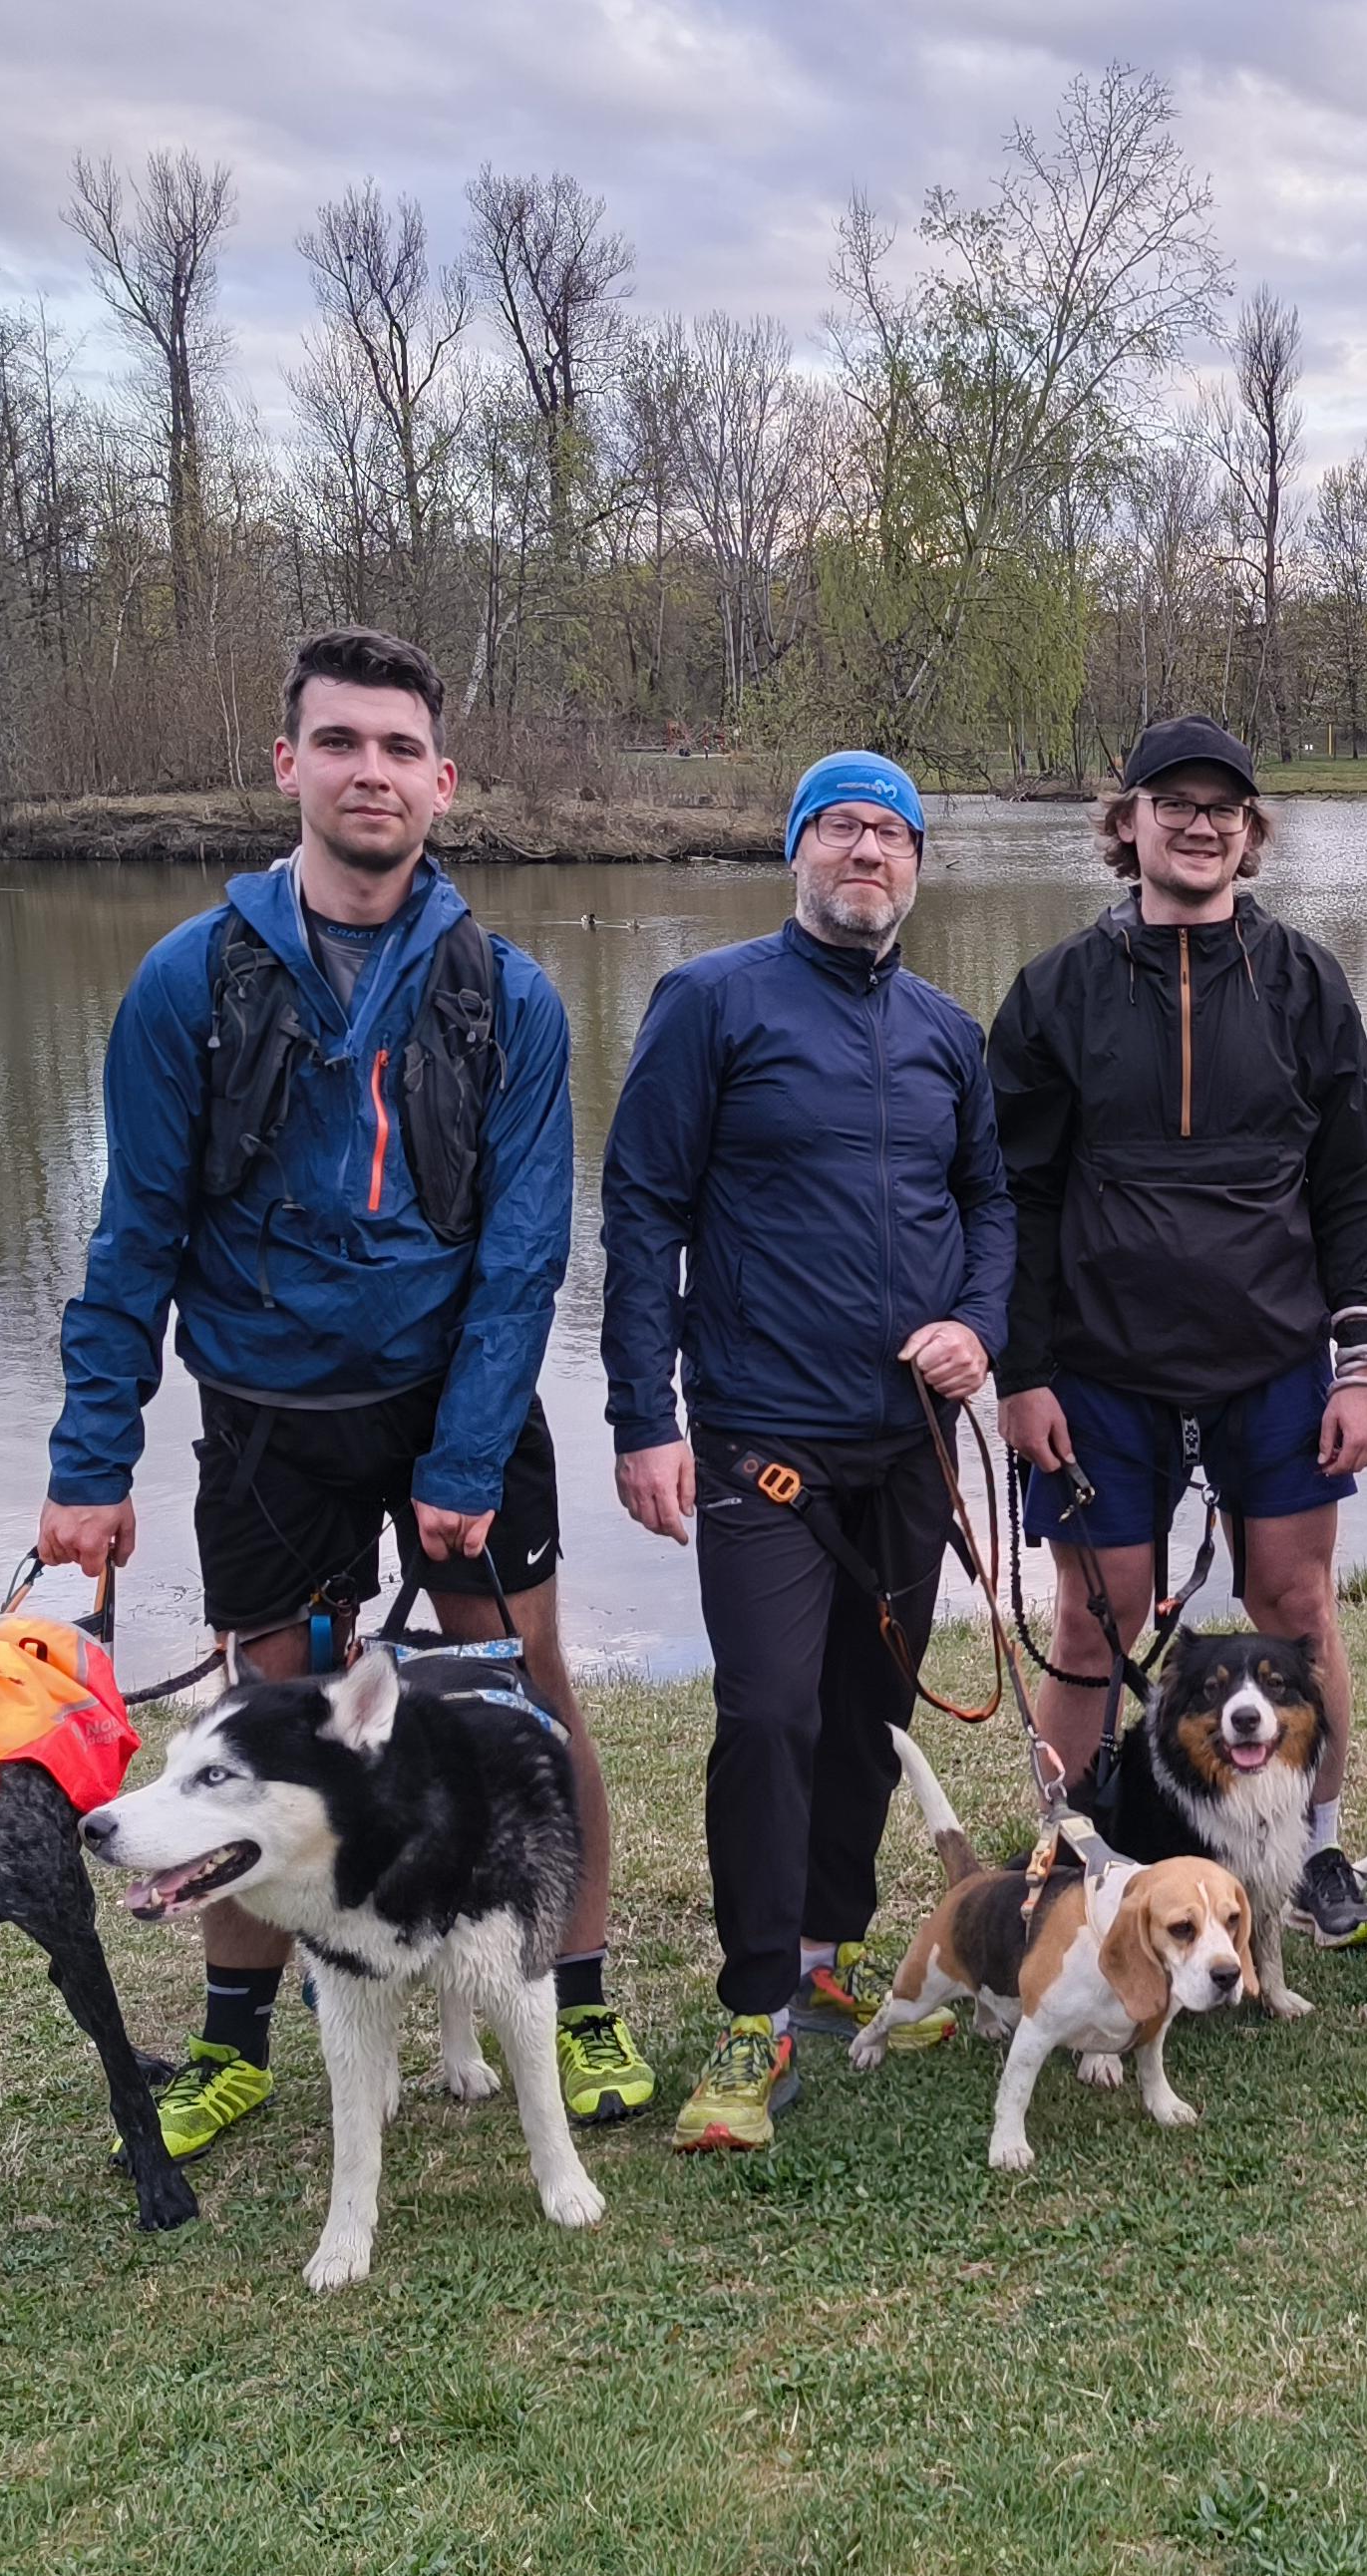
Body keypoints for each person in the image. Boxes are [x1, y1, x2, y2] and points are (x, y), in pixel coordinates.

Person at [40, 626, 651, 2150]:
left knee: (529, 1696)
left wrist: (466, 1455)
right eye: (339, 743)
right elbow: (133, 1234)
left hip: (459, 1412)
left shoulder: (511, 998)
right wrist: (90, 1457)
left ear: (442, 782)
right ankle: (237, 2036)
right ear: (287, 765)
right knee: (257, 1720)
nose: (368, 772)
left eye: (397, 749)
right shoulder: (186, 982)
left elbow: (525, 1250)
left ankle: (573, 1997)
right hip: (267, 1422)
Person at [603, 750, 1011, 2155]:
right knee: (770, 1713)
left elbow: (990, 1204)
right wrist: (641, 1416)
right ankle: (751, 2007)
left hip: (908, 1446)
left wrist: (976, 1326)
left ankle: (830, 1948)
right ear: (797, 849)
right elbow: (642, 1209)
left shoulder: (948, 1033)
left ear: (917, 866)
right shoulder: (709, 1001)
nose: (866, 854)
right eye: (841, 828)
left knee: (869, 1714)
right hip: (761, 1444)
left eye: (893, 835)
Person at [989, 716, 1367, 1940]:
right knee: (1092, 1615)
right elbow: (1015, 1195)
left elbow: (1352, 1183)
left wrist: (1362, 1364)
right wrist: (1020, 1369)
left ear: (1251, 832)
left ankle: (1312, 1852)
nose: (1199, 824)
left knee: (1297, 1605)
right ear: (1127, 824)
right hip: (1098, 1365)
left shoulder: (1306, 982)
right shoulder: (1054, 989)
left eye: (1224, 806)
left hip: (1272, 1358)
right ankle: (1066, 1866)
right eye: (1172, 802)